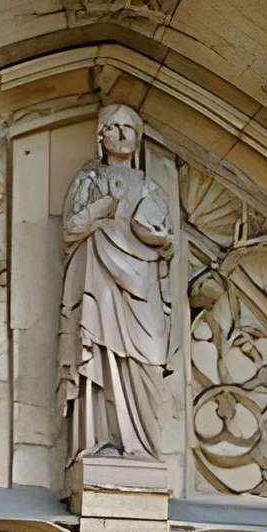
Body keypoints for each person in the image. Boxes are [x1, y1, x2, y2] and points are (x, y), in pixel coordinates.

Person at [57, 104, 172, 463]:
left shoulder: (151, 187)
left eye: (129, 128)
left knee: (149, 361)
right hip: (101, 278)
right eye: (113, 128)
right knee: (100, 352)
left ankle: (143, 447)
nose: (121, 135)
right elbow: (72, 228)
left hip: (143, 285)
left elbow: (165, 236)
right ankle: (102, 439)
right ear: (100, 136)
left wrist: (162, 240)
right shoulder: (89, 179)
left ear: (138, 138)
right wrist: (104, 207)